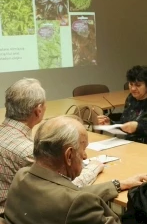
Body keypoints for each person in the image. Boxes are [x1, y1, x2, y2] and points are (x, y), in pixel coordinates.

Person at [4, 116, 147, 224]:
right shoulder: (77, 206)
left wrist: (118, 184)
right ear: (68, 155)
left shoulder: (21, 177)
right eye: (83, 149)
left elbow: (69, 194)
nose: (85, 156)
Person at [0, 78, 103, 216]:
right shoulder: (28, 152)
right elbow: (66, 190)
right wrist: (95, 167)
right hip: (18, 218)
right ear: (38, 110)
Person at [98, 65, 147, 144]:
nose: (133, 89)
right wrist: (111, 123)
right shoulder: (131, 98)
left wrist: (138, 128)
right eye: (131, 84)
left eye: (138, 85)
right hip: (128, 143)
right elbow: (125, 124)